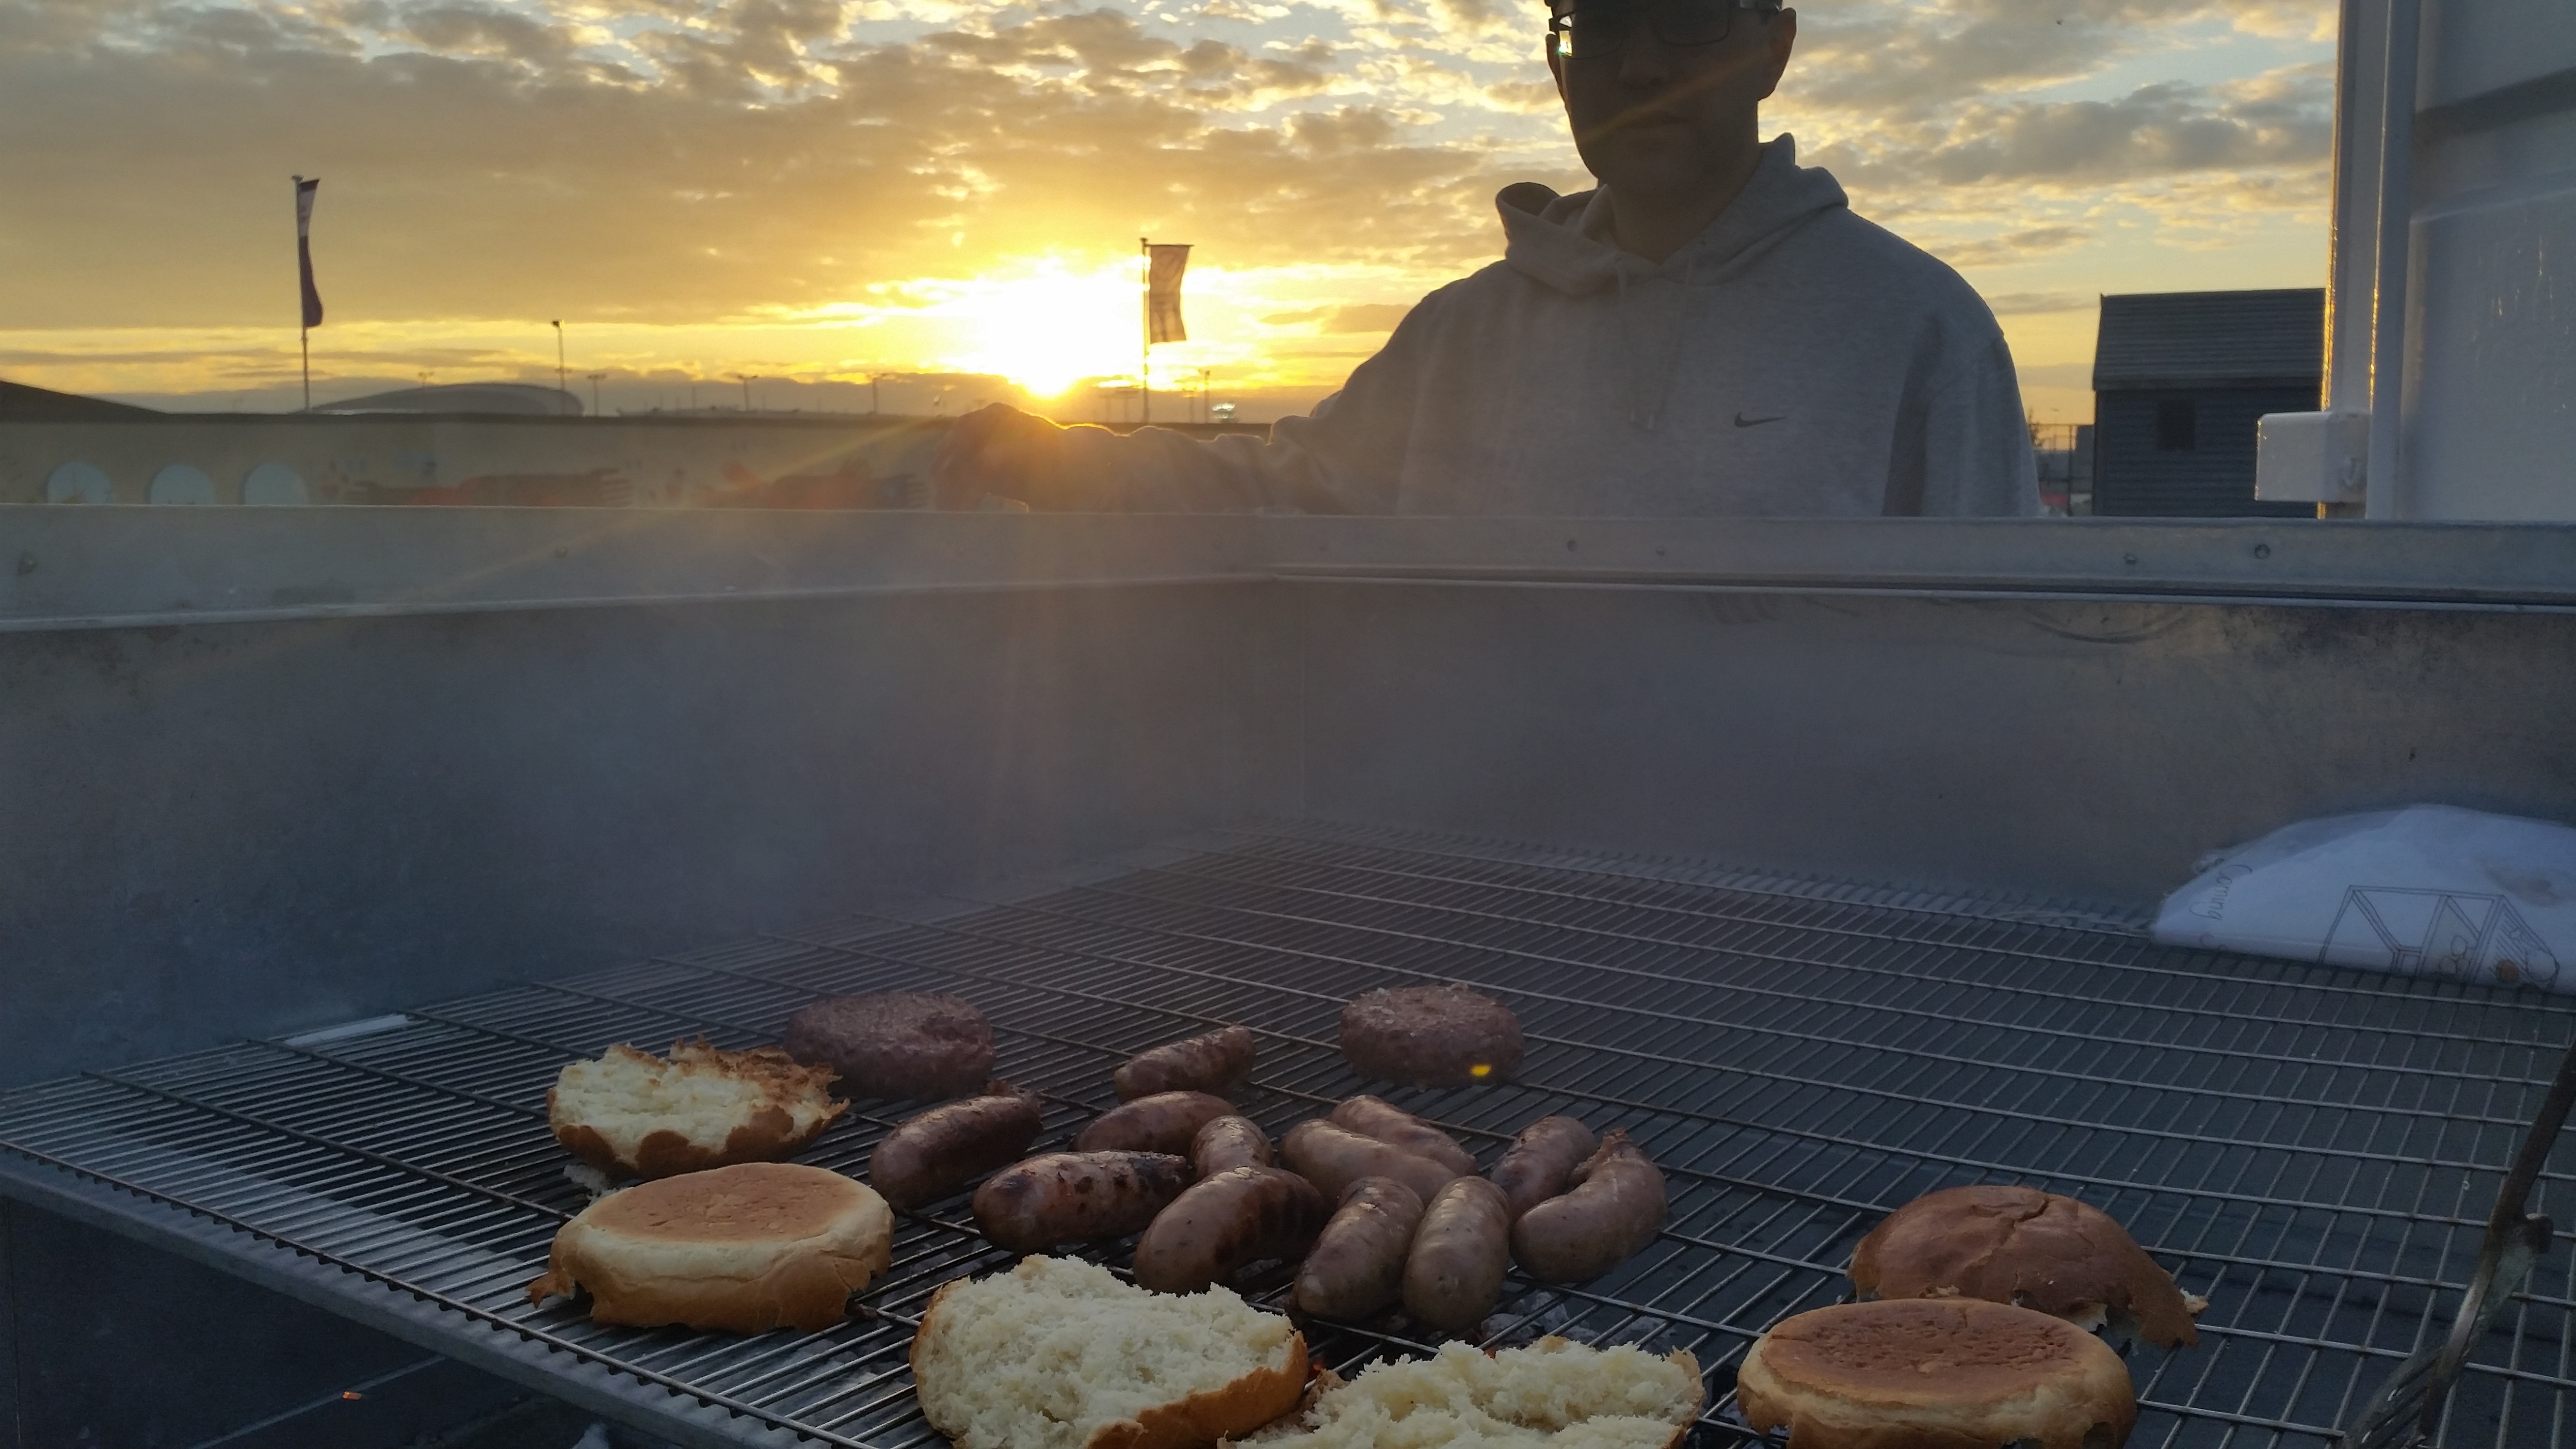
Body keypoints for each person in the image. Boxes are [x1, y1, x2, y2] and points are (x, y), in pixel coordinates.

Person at [934, 0, 2039, 517]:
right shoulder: (1462, 335)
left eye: (1689, 17)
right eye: (1601, 24)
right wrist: (1054, 458)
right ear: (1561, 66)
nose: (1642, 62)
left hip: (1813, 911)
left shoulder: (1918, 329)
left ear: (1774, 47)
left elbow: (2003, 645)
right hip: (1483, 874)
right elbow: (1287, 489)